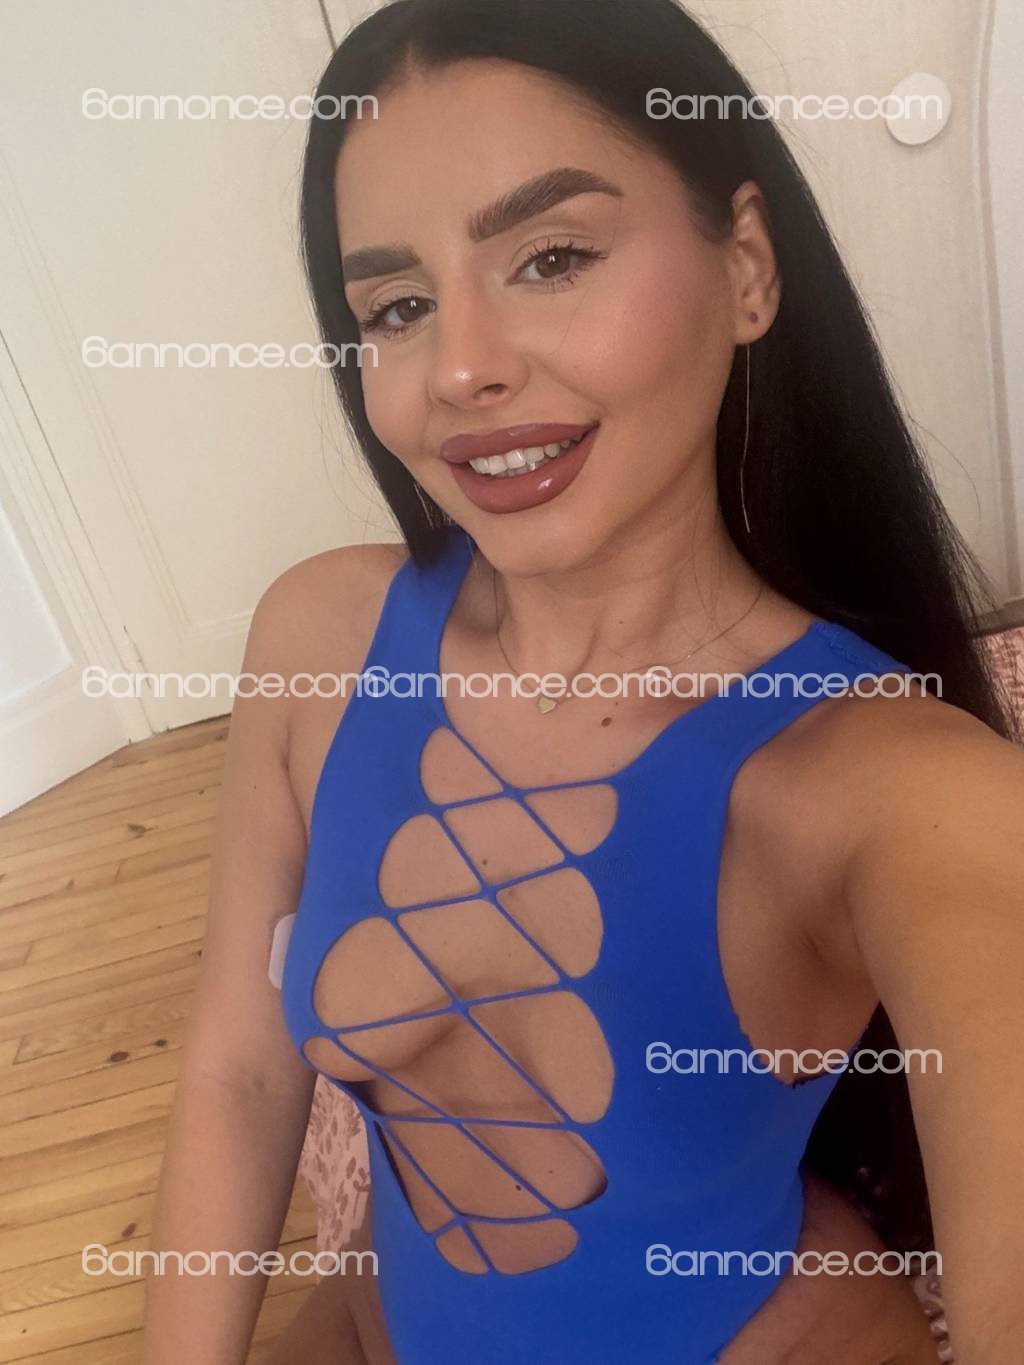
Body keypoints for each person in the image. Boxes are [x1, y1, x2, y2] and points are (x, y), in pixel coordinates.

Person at [142, 1, 1024, 1361]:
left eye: (551, 257)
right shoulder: (319, 636)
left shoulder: (906, 792)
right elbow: (242, 1068)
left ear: (746, 268)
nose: (462, 368)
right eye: (398, 306)